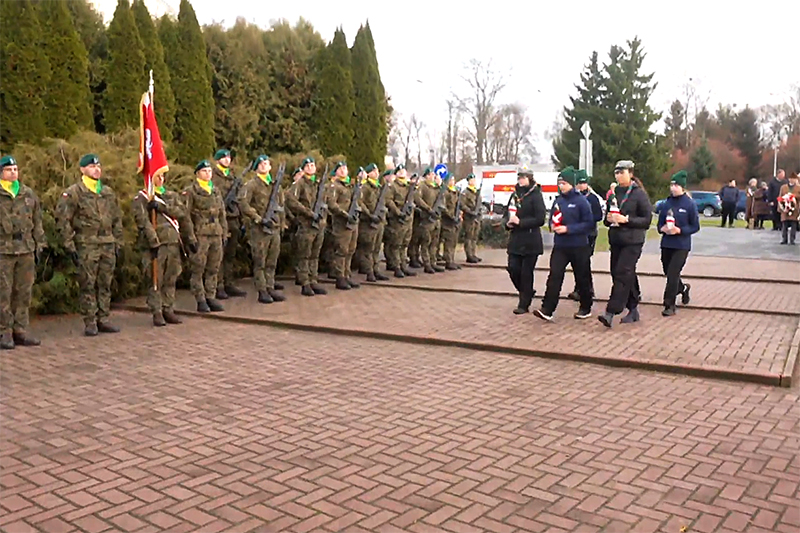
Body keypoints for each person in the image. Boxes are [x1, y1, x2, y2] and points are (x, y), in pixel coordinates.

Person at [57, 154, 124, 336]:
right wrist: (69, 245)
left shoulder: (107, 193)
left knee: (105, 283)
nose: (97, 169)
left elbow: (117, 219)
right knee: (88, 283)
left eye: (98, 166)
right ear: (82, 170)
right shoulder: (73, 193)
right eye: (92, 166)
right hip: (87, 244)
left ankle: (104, 318)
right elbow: (64, 220)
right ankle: (90, 321)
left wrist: (118, 241)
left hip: (107, 243)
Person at [133, 171, 195, 326]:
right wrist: (153, 241)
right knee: (155, 279)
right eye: (157, 176)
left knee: (171, 277)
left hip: (172, 242)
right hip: (155, 244)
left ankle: (168, 308)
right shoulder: (141, 198)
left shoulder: (171, 195)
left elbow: (181, 212)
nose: (161, 179)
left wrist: (161, 207)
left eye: (162, 176)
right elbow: (142, 222)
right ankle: (157, 311)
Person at [533, 167, 594, 321]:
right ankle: (547, 308)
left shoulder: (582, 201)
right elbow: (552, 217)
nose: (561, 186)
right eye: (559, 183)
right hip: (560, 246)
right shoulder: (558, 200)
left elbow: (589, 224)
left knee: (582, 277)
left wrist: (569, 229)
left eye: (564, 183)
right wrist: (552, 226)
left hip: (579, 245)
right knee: (555, 275)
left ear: (572, 184)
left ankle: (586, 306)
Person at [598, 160, 652, 328]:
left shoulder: (638, 194)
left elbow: (647, 219)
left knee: (623, 272)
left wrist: (627, 219)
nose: (619, 175)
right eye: (616, 172)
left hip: (633, 240)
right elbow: (607, 216)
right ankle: (633, 307)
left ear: (630, 173)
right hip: (616, 239)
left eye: (622, 172)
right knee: (621, 273)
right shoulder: (614, 194)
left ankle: (611, 311)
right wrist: (608, 219)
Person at [0, 155, 44, 349]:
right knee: (4, 293)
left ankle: (21, 330)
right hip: (4, 250)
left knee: (24, 292)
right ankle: (5, 332)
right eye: (9, 170)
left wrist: (40, 244)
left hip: (25, 249)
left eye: (16, 169)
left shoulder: (27, 193)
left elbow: (37, 221)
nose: (13, 173)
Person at [237, 155, 287, 304]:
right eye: (262, 164)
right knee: (260, 261)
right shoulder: (251, 185)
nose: (265, 166)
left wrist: (282, 223)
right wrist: (258, 218)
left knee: (272, 261)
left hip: (274, 227)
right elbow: (243, 203)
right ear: (257, 168)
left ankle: (270, 286)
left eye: (267, 163)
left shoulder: (275, 184)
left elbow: (281, 205)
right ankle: (262, 290)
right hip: (260, 229)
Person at [182, 160, 227, 313]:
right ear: (197, 174)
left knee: (213, 267)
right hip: (200, 234)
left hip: (216, 232)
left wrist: (224, 232)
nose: (208, 174)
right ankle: (200, 299)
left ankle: (210, 296)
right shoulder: (191, 191)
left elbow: (222, 214)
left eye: (209, 171)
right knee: (198, 268)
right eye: (204, 171)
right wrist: (190, 237)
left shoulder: (215, 190)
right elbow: (186, 216)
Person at [657, 171, 700, 316]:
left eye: (676, 185)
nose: (673, 187)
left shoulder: (689, 204)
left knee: (673, 273)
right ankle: (682, 288)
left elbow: (695, 226)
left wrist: (680, 230)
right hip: (667, 243)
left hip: (681, 245)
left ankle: (669, 305)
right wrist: (662, 228)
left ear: (682, 187)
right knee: (668, 272)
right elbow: (660, 223)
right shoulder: (666, 203)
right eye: (671, 184)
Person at [285, 157, 330, 296]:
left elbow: (326, 202)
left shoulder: (317, 184)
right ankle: (305, 283)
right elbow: (290, 199)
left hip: (319, 225)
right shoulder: (300, 184)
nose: (311, 167)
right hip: (307, 224)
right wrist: (307, 212)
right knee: (304, 255)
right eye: (308, 165)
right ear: (303, 169)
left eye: (312, 165)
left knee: (315, 255)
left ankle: (313, 280)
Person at [504, 168, 546, 314]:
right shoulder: (515, 194)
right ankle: (526, 291)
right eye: (519, 177)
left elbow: (540, 218)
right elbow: (507, 213)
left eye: (523, 177)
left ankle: (524, 303)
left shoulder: (536, 195)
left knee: (526, 272)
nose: (520, 180)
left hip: (530, 240)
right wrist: (507, 223)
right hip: (516, 239)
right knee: (513, 268)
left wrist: (521, 222)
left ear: (529, 178)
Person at [212, 148, 247, 299]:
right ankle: (218, 285)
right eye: (223, 157)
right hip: (221, 219)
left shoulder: (232, 177)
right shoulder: (213, 176)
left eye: (228, 158)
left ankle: (229, 282)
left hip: (233, 218)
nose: (227, 160)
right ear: (217, 159)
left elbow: (239, 198)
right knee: (219, 254)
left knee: (230, 254)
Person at [567, 169, 602, 301]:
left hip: (589, 234)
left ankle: (587, 289)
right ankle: (579, 288)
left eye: (583, 183)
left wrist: (587, 219)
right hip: (576, 234)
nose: (581, 186)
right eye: (579, 183)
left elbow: (598, 216)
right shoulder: (573, 198)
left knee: (584, 262)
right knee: (577, 262)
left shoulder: (592, 198)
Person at [327, 161, 361, 290]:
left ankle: (347, 275)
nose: (343, 171)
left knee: (350, 250)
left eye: (345, 168)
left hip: (353, 222)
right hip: (342, 223)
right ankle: (339, 277)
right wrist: (345, 214)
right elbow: (332, 204)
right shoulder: (334, 186)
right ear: (336, 172)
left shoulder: (350, 186)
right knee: (341, 250)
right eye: (340, 169)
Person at [355, 164, 390, 282]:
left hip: (379, 221)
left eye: (377, 171)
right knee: (368, 249)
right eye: (374, 171)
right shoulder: (365, 187)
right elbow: (360, 202)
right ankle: (369, 272)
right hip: (368, 222)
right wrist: (370, 215)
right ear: (368, 173)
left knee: (376, 248)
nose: (377, 173)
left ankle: (375, 269)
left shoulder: (378, 187)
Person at [384, 165, 417, 278]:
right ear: (396, 174)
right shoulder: (392, 186)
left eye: (404, 171)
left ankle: (403, 265)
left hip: (408, 218)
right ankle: (396, 266)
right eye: (400, 171)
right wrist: (398, 212)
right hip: (397, 219)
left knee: (405, 243)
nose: (402, 173)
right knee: (396, 244)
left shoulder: (409, 187)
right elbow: (389, 201)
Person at [414, 168, 445, 274]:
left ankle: (433, 262)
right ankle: (427, 264)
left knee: (434, 243)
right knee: (426, 242)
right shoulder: (422, 186)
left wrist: (440, 186)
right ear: (426, 176)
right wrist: (427, 208)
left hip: (436, 219)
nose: (433, 176)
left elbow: (442, 199)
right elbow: (417, 199)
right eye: (431, 174)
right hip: (427, 218)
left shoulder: (435, 187)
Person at [440, 173, 461, 270]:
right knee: (448, 241)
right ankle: (448, 261)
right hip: (448, 220)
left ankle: (452, 260)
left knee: (453, 241)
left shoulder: (455, 192)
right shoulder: (445, 192)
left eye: (453, 180)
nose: (453, 182)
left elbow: (457, 205)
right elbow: (443, 207)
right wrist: (451, 216)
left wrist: (459, 214)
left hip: (455, 220)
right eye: (451, 180)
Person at [461, 173, 482, 263]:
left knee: (474, 237)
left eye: (474, 180)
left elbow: (479, 204)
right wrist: (470, 211)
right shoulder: (465, 193)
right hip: (469, 217)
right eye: (471, 180)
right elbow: (462, 205)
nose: (473, 182)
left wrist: (478, 213)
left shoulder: (476, 192)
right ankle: (469, 255)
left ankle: (473, 254)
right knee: (469, 237)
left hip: (476, 217)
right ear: (468, 181)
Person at [778, 172, 800, 245]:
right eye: (791, 179)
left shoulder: (798, 188)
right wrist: (781, 207)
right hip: (785, 208)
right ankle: (784, 239)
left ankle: (792, 239)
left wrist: (793, 196)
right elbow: (780, 197)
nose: (792, 180)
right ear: (789, 179)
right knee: (784, 225)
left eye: (794, 179)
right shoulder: (783, 187)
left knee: (794, 224)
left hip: (794, 208)